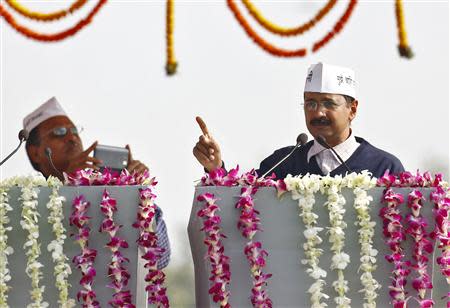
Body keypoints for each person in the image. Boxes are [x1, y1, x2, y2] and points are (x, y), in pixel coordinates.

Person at [23, 97, 170, 269]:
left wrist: (134, 193)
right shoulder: (26, 198)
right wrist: (66, 184)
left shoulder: (106, 191)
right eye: (60, 132)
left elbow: (160, 257)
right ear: (35, 153)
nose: (72, 138)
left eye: (75, 130)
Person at [193, 62, 404, 179]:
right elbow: (240, 204)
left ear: (352, 109)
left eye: (329, 104)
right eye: (310, 103)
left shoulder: (384, 167)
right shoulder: (283, 163)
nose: (318, 113)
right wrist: (215, 167)